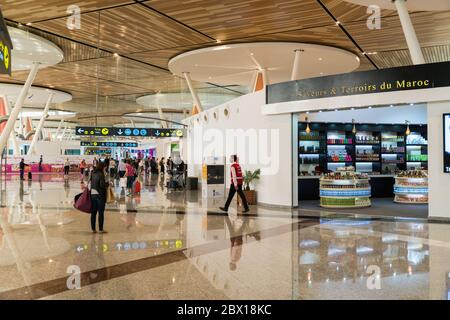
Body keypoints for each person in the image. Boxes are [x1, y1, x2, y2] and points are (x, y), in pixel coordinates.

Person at [89, 162, 108, 233]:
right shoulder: (101, 174)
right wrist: (108, 183)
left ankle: (93, 229)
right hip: (100, 195)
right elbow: (102, 185)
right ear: (102, 167)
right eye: (105, 167)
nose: (105, 168)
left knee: (93, 212)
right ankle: (100, 229)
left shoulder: (93, 173)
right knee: (101, 213)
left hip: (93, 194)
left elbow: (91, 183)